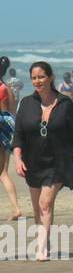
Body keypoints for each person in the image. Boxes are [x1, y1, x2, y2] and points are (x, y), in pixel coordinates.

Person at [12, 61, 73, 261]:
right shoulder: (26, 103)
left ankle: (41, 249)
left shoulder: (65, 103)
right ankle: (45, 242)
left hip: (58, 162)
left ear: (50, 77)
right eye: (34, 77)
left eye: (41, 76)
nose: (37, 81)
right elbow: (18, 135)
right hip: (32, 162)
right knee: (37, 208)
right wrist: (17, 159)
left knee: (45, 204)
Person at [0, 56, 20, 221]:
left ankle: (16, 208)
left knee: (2, 173)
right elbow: (11, 114)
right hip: (8, 131)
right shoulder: (7, 88)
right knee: (3, 172)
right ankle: (15, 208)